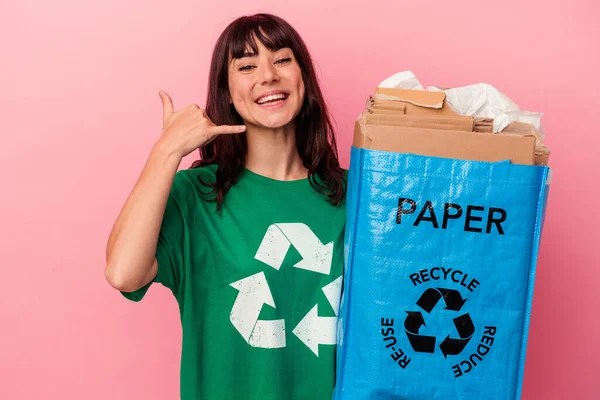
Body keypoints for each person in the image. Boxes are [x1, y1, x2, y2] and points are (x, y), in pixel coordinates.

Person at [105, 13, 347, 400]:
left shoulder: (354, 196)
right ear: (227, 91)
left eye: (282, 59)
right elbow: (123, 274)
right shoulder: (196, 196)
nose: (268, 75)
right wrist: (166, 150)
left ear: (304, 78)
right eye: (247, 66)